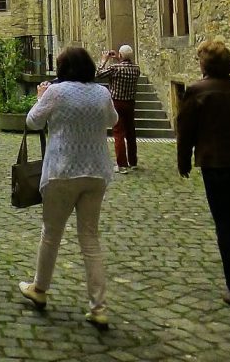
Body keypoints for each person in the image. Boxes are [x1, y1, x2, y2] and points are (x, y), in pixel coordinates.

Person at [18, 46, 118, 330]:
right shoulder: (101, 93)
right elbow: (113, 121)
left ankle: (40, 288)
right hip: (96, 171)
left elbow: (33, 121)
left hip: (62, 170)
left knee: (51, 234)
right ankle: (98, 307)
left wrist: (40, 98)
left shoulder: (56, 92)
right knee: (90, 238)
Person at [176, 39, 230, 312]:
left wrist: (183, 160)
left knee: (227, 223)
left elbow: (185, 131)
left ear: (204, 65)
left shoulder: (198, 91)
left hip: (218, 166)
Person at [98, 44, 140, 172]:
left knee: (118, 132)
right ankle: (133, 161)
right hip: (130, 102)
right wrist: (119, 58)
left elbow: (98, 74)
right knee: (130, 132)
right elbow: (125, 67)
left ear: (120, 55)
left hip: (117, 102)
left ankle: (122, 164)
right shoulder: (136, 68)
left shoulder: (115, 68)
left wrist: (104, 60)